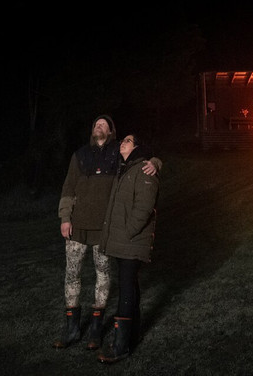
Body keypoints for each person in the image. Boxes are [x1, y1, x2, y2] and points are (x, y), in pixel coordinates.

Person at [54, 115, 158, 350]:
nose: (98, 126)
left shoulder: (118, 155)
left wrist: (156, 161)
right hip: (77, 228)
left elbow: (141, 155)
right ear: (92, 131)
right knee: (72, 276)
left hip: (104, 231)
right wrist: (65, 217)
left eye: (104, 124)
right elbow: (68, 186)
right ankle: (71, 329)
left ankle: (95, 331)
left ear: (112, 131)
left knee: (103, 277)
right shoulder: (79, 155)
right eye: (95, 124)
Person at [97, 132, 159, 365]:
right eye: (123, 139)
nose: (123, 142)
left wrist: (128, 232)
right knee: (130, 287)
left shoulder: (144, 170)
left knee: (125, 289)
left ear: (137, 148)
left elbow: (144, 208)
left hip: (131, 241)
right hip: (124, 241)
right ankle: (132, 337)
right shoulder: (125, 169)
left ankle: (120, 346)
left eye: (129, 140)